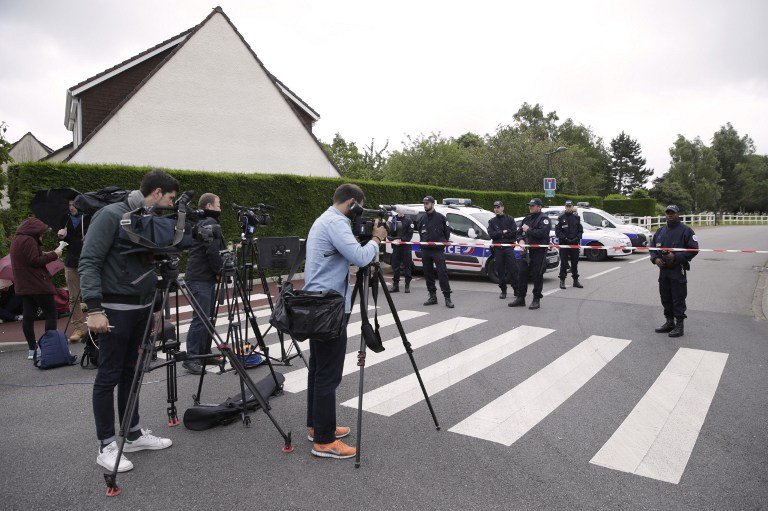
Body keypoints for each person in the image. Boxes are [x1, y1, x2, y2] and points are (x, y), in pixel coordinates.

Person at [79, 169, 177, 473]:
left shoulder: (149, 220)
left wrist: (158, 308)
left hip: (142, 307)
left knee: (131, 373)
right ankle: (106, 444)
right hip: (114, 307)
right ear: (157, 192)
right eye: (171, 199)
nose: (172, 205)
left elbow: (149, 266)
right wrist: (93, 309)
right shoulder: (111, 215)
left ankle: (132, 434)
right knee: (108, 375)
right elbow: (89, 260)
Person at [303, 183, 385, 459]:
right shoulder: (336, 223)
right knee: (328, 373)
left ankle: (317, 426)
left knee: (318, 368)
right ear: (352, 203)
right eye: (360, 206)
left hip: (318, 303)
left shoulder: (324, 219)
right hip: (329, 306)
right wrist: (375, 240)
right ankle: (324, 442)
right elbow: (361, 258)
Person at [182, 193, 225, 375]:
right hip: (200, 278)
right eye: (218, 204)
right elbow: (213, 253)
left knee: (206, 317)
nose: (220, 208)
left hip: (199, 276)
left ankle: (204, 354)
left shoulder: (201, 223)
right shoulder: (211, 225)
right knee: (200, 318)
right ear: (208, 206)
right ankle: (191, 358)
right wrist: (220, 272)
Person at [10, 218, 63, 360]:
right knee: (51, 314)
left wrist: (45, 253)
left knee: (28, 316)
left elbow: (27, 258)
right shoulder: (29, 240)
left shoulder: (17, 239)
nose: (43, 235)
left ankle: (32, 349)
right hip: (38, 284)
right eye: (42, 233)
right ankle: (50, 348)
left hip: (25, 286)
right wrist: (55, 255)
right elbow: (35, 261)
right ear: (35, 231)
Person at [650, 205, 698, 338]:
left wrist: (675, 257)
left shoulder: (686, 231)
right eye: (668, 213)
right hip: (663, 270)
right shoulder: (660, 232)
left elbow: (693, 249)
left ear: (678, 214)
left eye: (673, 213)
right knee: (665, 297)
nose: (670, 215)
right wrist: (655, 259)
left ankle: (679, 325)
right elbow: (652, 248)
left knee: (678, 297)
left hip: (677, 269)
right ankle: (669, 322)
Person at [509, 198, 550, 310]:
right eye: (530, 205)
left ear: (539, 206)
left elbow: (543, 233)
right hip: (525, 251)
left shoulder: (544, 219)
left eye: (533, 205)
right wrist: (520, 240)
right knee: (521, 275)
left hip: (538, 252)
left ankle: (536, 299)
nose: (530, 207)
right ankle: (520, 298)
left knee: (537, 275)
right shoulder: (526, 219)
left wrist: (529, 230)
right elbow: (519, 233)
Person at [57, 199, 89, 342]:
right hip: (71, 262)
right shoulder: (65, 219)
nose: (71, 207)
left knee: (94, 294)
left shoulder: (88, 217)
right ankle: (79, 328)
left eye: (74, 204)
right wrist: (60, 236)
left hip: (88, 261)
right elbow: (63, 241)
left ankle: (99, 324)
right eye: (69, 205)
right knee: (73, 297)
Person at [417, 196, 453, 308]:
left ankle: (447, 298)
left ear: (433, 204)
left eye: (427, 203)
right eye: (424, 203)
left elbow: (447, 234)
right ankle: (432, 296)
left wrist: (441, 243)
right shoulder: (422, 219)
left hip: (437, 251)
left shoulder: (441, 218)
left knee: (442, 273)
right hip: (426, 250)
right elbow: (420, 232)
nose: (425, 205)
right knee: (428, 274)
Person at [487, 200, 519, 300]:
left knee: (513, 269)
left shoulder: (510, 219)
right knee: (500, 270)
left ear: (503, 208)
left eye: (498, 207)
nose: (496, 209)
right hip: (498, 249)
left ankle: (516, 290)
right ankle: (503, 290)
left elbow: (513, 233)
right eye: (495, 207)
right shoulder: (492, 221)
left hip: (508, 248)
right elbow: (491, 234)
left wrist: (500, 233)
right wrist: (504, 232)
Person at [555, 200, 584, 290]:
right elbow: (558, 231)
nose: (568, 207)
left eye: (570, 206)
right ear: (565, 207)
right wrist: (565, 238)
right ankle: (562, 280)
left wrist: (576, 238)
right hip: (564, 244)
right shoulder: (560, 218)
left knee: (574, 263)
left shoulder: (577, 218)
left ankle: (575, 280)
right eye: (567, 206)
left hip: (574, 244)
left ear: (572, 207)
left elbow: (580, 231)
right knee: (564, 263)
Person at [387, 211, 415, 294]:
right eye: (399, 210)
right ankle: (396, 285)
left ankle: (407, 285)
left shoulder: (408, 221)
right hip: (396, 246)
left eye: (402, 210)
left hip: (405, 246)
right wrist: (393, 239)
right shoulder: (393, 220)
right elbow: (389, 233)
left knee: (407, 266)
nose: (400, 211)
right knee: (395, 266)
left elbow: (409, 235)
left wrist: (401, 239)